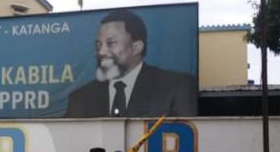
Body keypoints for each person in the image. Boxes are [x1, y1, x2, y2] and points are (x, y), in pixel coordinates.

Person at [64, 9, 197, 118]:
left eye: (111, 43)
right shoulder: (81, 97)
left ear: (136, 47)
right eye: (98, 45)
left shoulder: (176, 87)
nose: (101, 52)